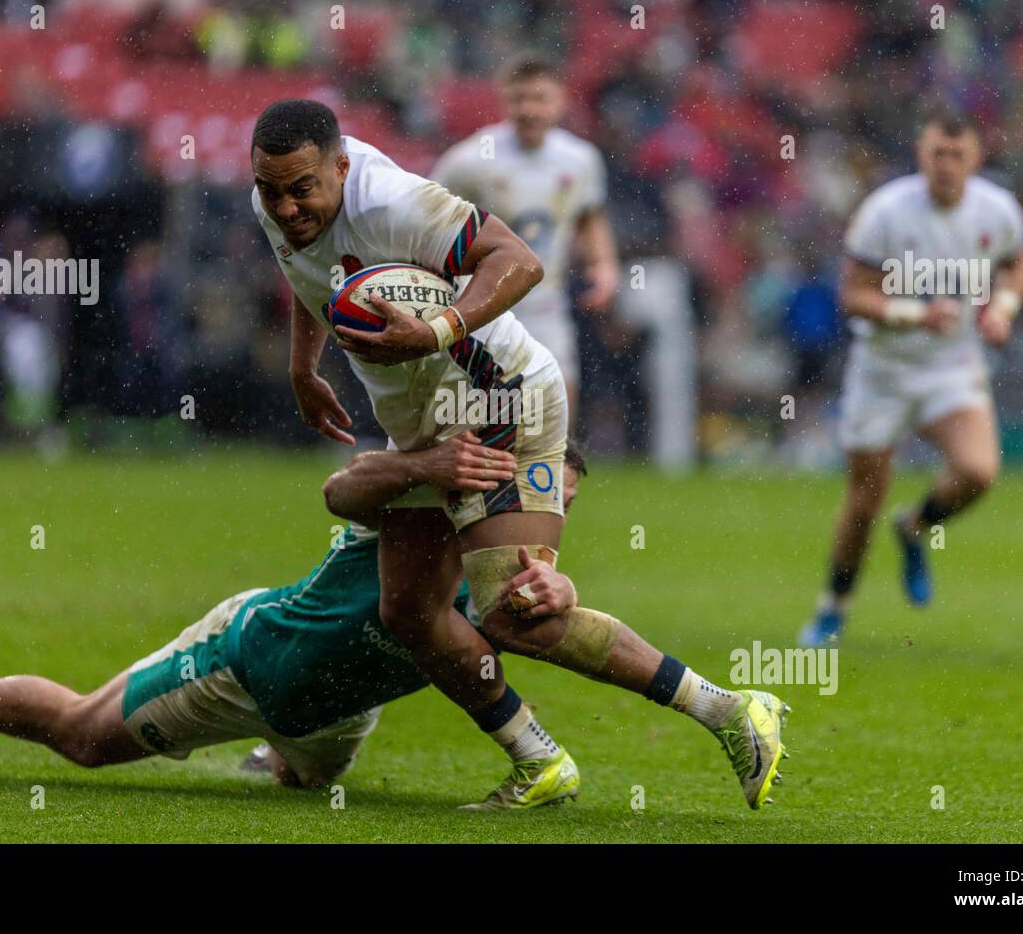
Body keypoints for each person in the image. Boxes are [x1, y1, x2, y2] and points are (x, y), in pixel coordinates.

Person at [252, 99, 789, 809]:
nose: (286, 207)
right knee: (409, 611)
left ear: (341, 167)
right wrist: (302, 368)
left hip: (504, 399)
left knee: (510, 610)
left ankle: (728, 709)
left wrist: (439, 326)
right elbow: (309, 278)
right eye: (272, 190)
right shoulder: (276, 197)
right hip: (422, 425)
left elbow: (519, 259)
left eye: (301, 189)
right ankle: (539, 760)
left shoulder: (396, 202)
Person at [0, 439, 788, 811]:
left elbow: (577, 623)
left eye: (563, 513)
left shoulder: (521, 580)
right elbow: (345, 483)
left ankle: (727, 709)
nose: (543, 532)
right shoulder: (426, 500)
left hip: (340, 713)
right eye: (541, 501)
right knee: (82, 738)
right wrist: (423, 460)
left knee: (307, 784)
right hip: (250, 664)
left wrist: (560, 579)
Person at [799, 108, 1023, 647]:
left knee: (978, 470)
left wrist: (1003, 307)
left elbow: (1018, 262)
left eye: (957, 154)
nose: (946, 164)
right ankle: (833, 605)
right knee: (864, 500)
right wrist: (913, 313)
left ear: (976, 158)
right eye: (937, 153)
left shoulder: (996, 211)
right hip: (883, 370)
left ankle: (915, 527)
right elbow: (853, 296)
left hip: (950, 367)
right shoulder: (885, 212)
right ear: (920, 154)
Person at [431, 54, 620, 427]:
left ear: (560, 101)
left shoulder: (580, 159)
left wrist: (605, 267)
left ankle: (549, 483)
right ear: (505, 101)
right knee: (475, 415)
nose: (529, 109)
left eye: (540, 98)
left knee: (559, 406)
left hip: (546, 304)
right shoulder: (471, 159)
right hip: (483, 306)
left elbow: (589, 216)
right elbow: (429, 215)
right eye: (519, 99)